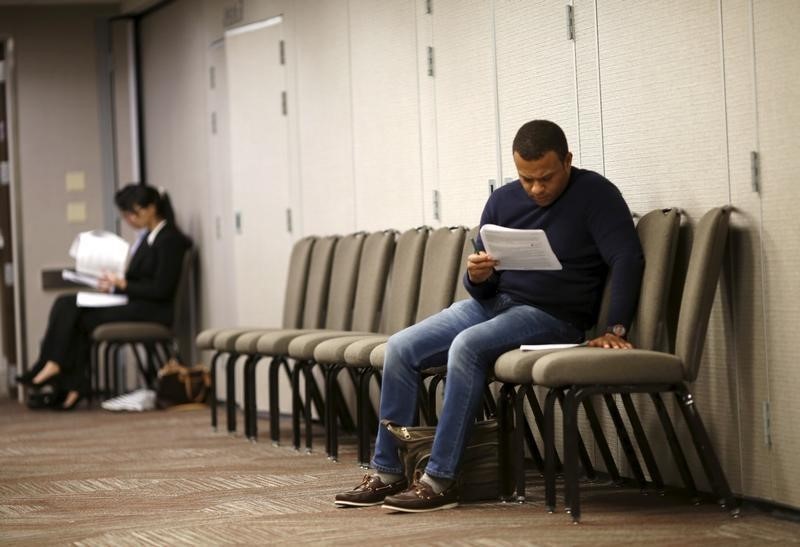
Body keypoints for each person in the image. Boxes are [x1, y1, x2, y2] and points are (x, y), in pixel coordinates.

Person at [334, 120, 644, 512]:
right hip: (493, 304)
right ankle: (388, 471)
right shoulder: (503, 201)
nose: (536, 189)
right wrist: (476, 275)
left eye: (546, 178)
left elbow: (627, 257)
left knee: (467, 346)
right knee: (401, 347)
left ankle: (440, 479)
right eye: (526, 179)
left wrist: (615, 326)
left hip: (553, 315)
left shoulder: (596, 195)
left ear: (567, 160)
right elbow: (481, 286)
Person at [16, 184, 192, 410]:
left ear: (149, 209)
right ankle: (66, 381)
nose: (128, 219)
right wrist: (113, 287)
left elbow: (161, 289)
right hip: (137, 303)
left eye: (131, 213)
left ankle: (57, 371)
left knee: (71, 308)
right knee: (70, 307)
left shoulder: (169, 240)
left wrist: (124, 284)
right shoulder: (149, 238)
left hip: (153, 311)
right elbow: (138, 281)